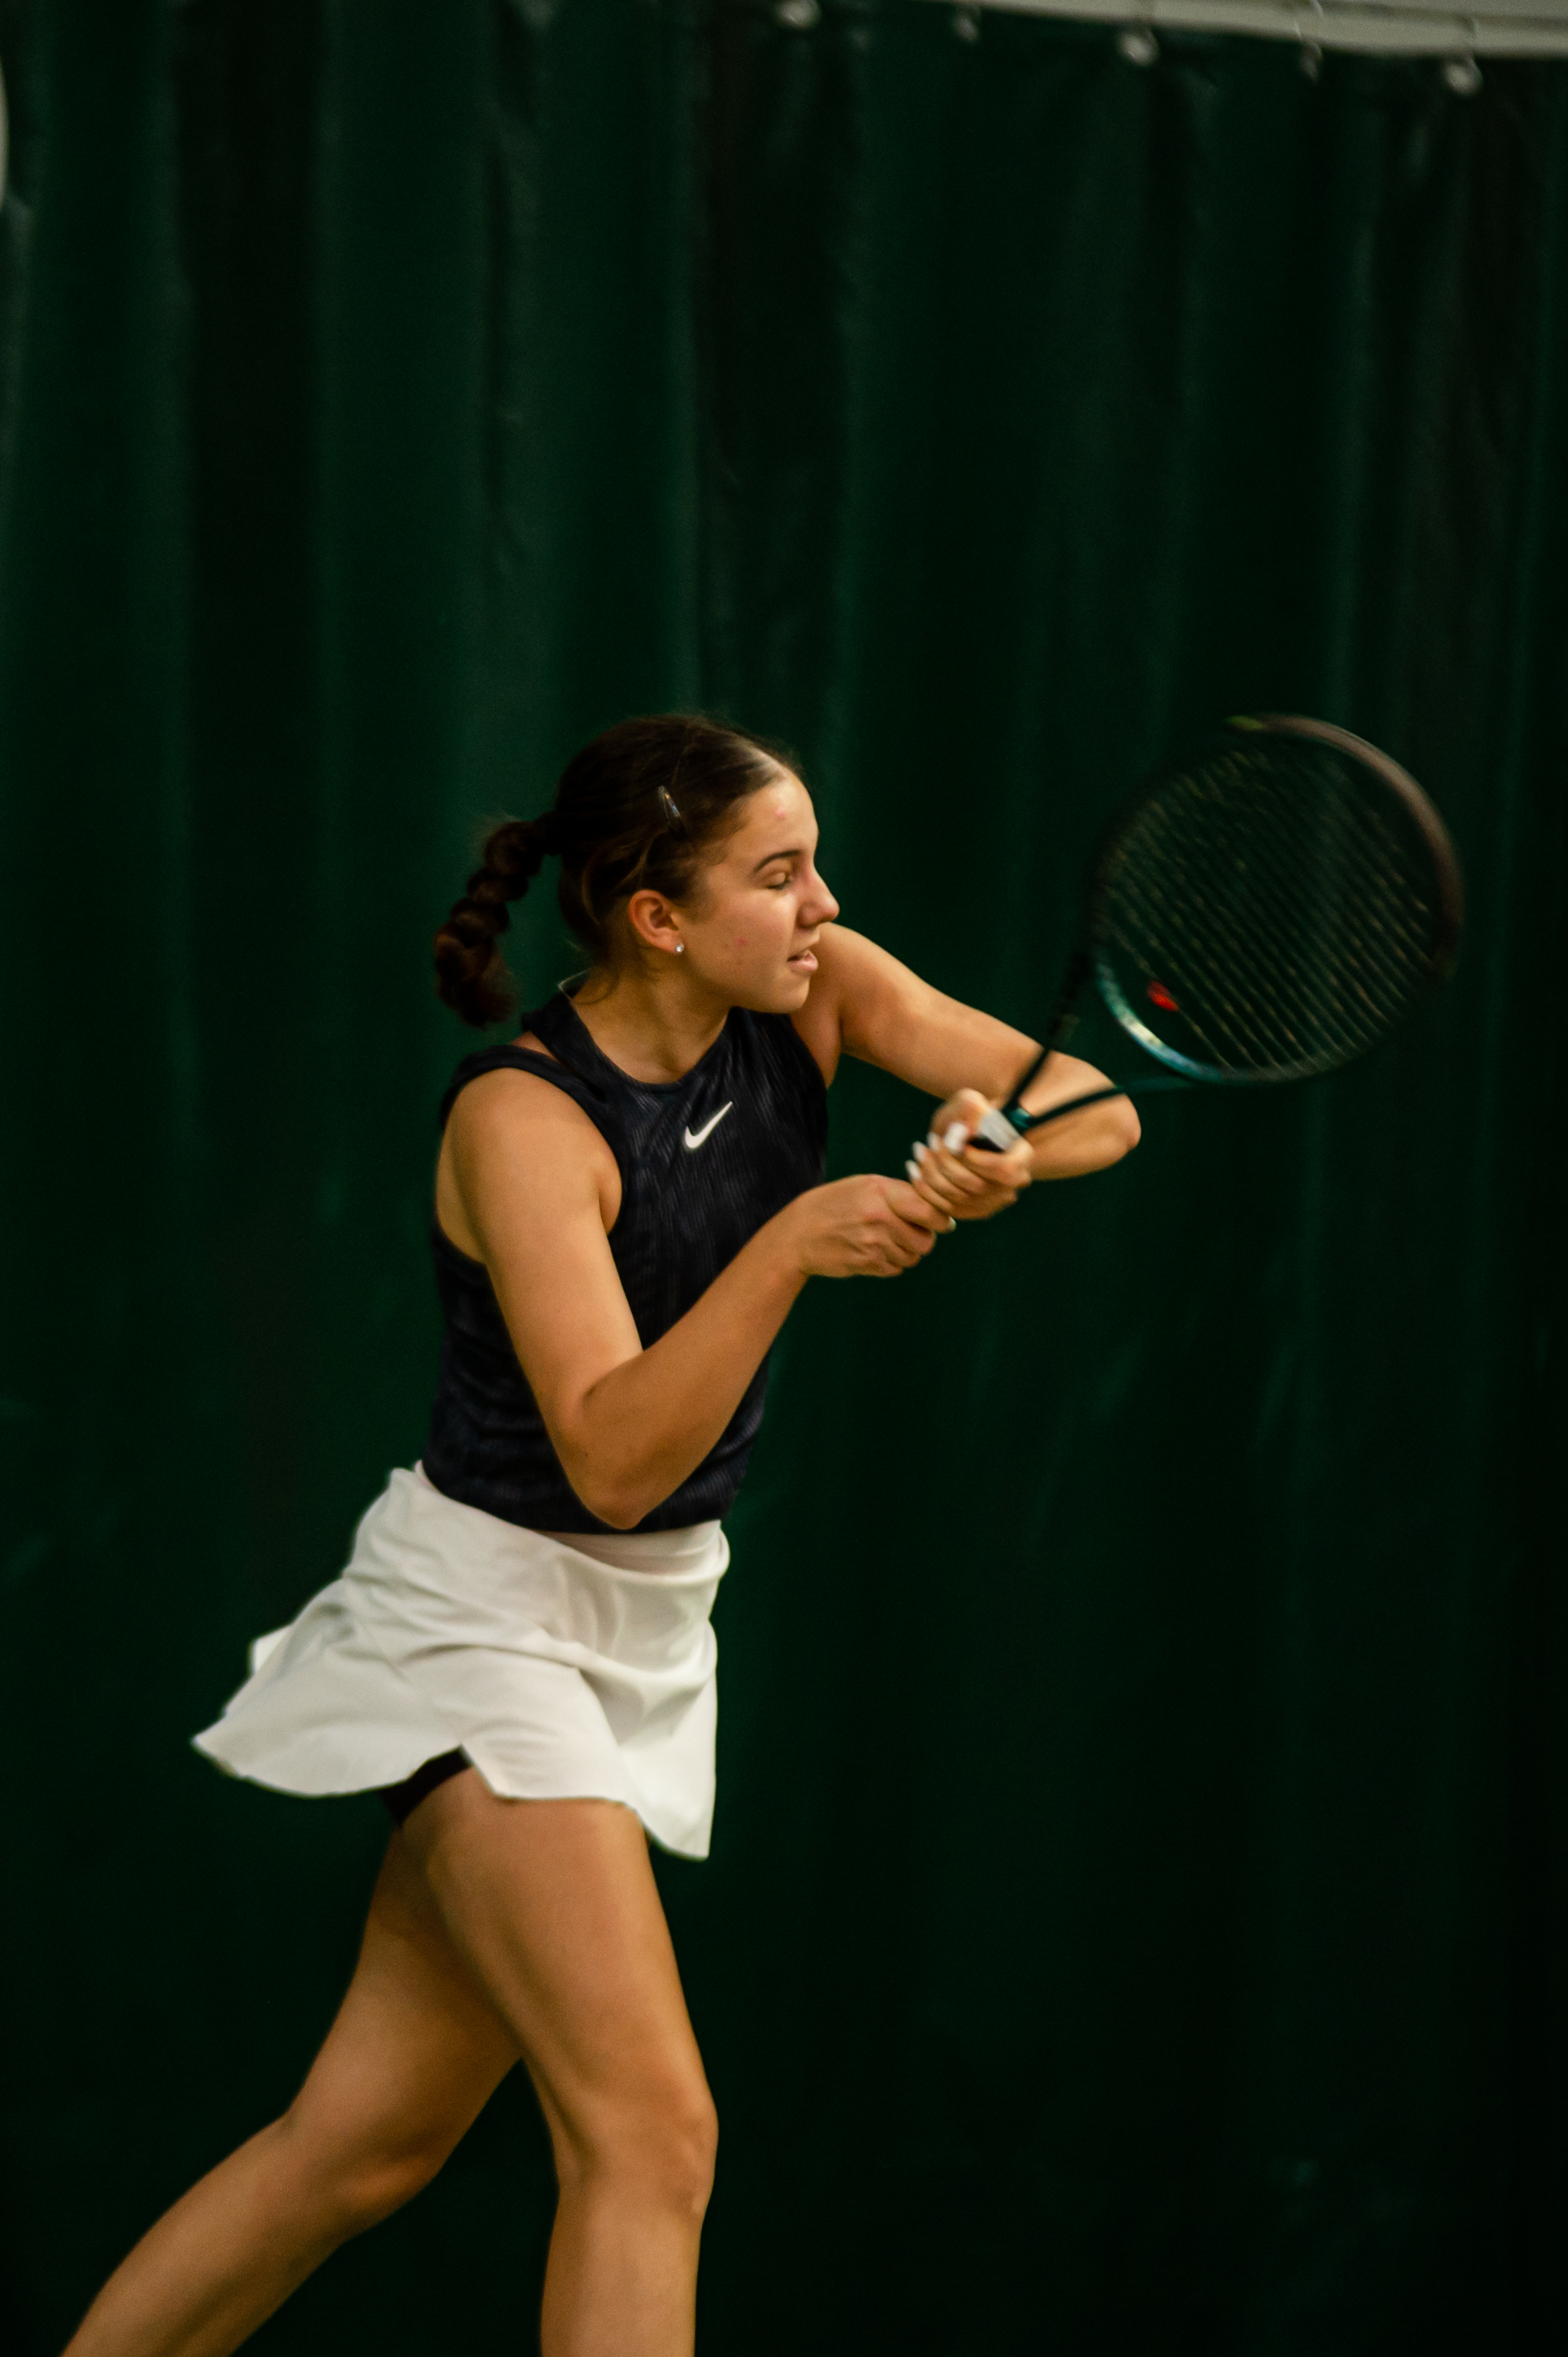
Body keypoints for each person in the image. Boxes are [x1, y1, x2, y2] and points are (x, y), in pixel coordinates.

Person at [63, 715, 1138, 2357]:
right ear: (658, 917)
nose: (821, 902)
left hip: (645, 1634)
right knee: (651, 2135)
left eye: (815, 867)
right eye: (778, 875)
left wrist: (1004, 1154)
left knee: (361, 2147)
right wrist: (790, 1246)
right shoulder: (524, 1121)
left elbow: (1094, 1109)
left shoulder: (821, 985)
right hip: (482, 1627)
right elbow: (616, 1461)